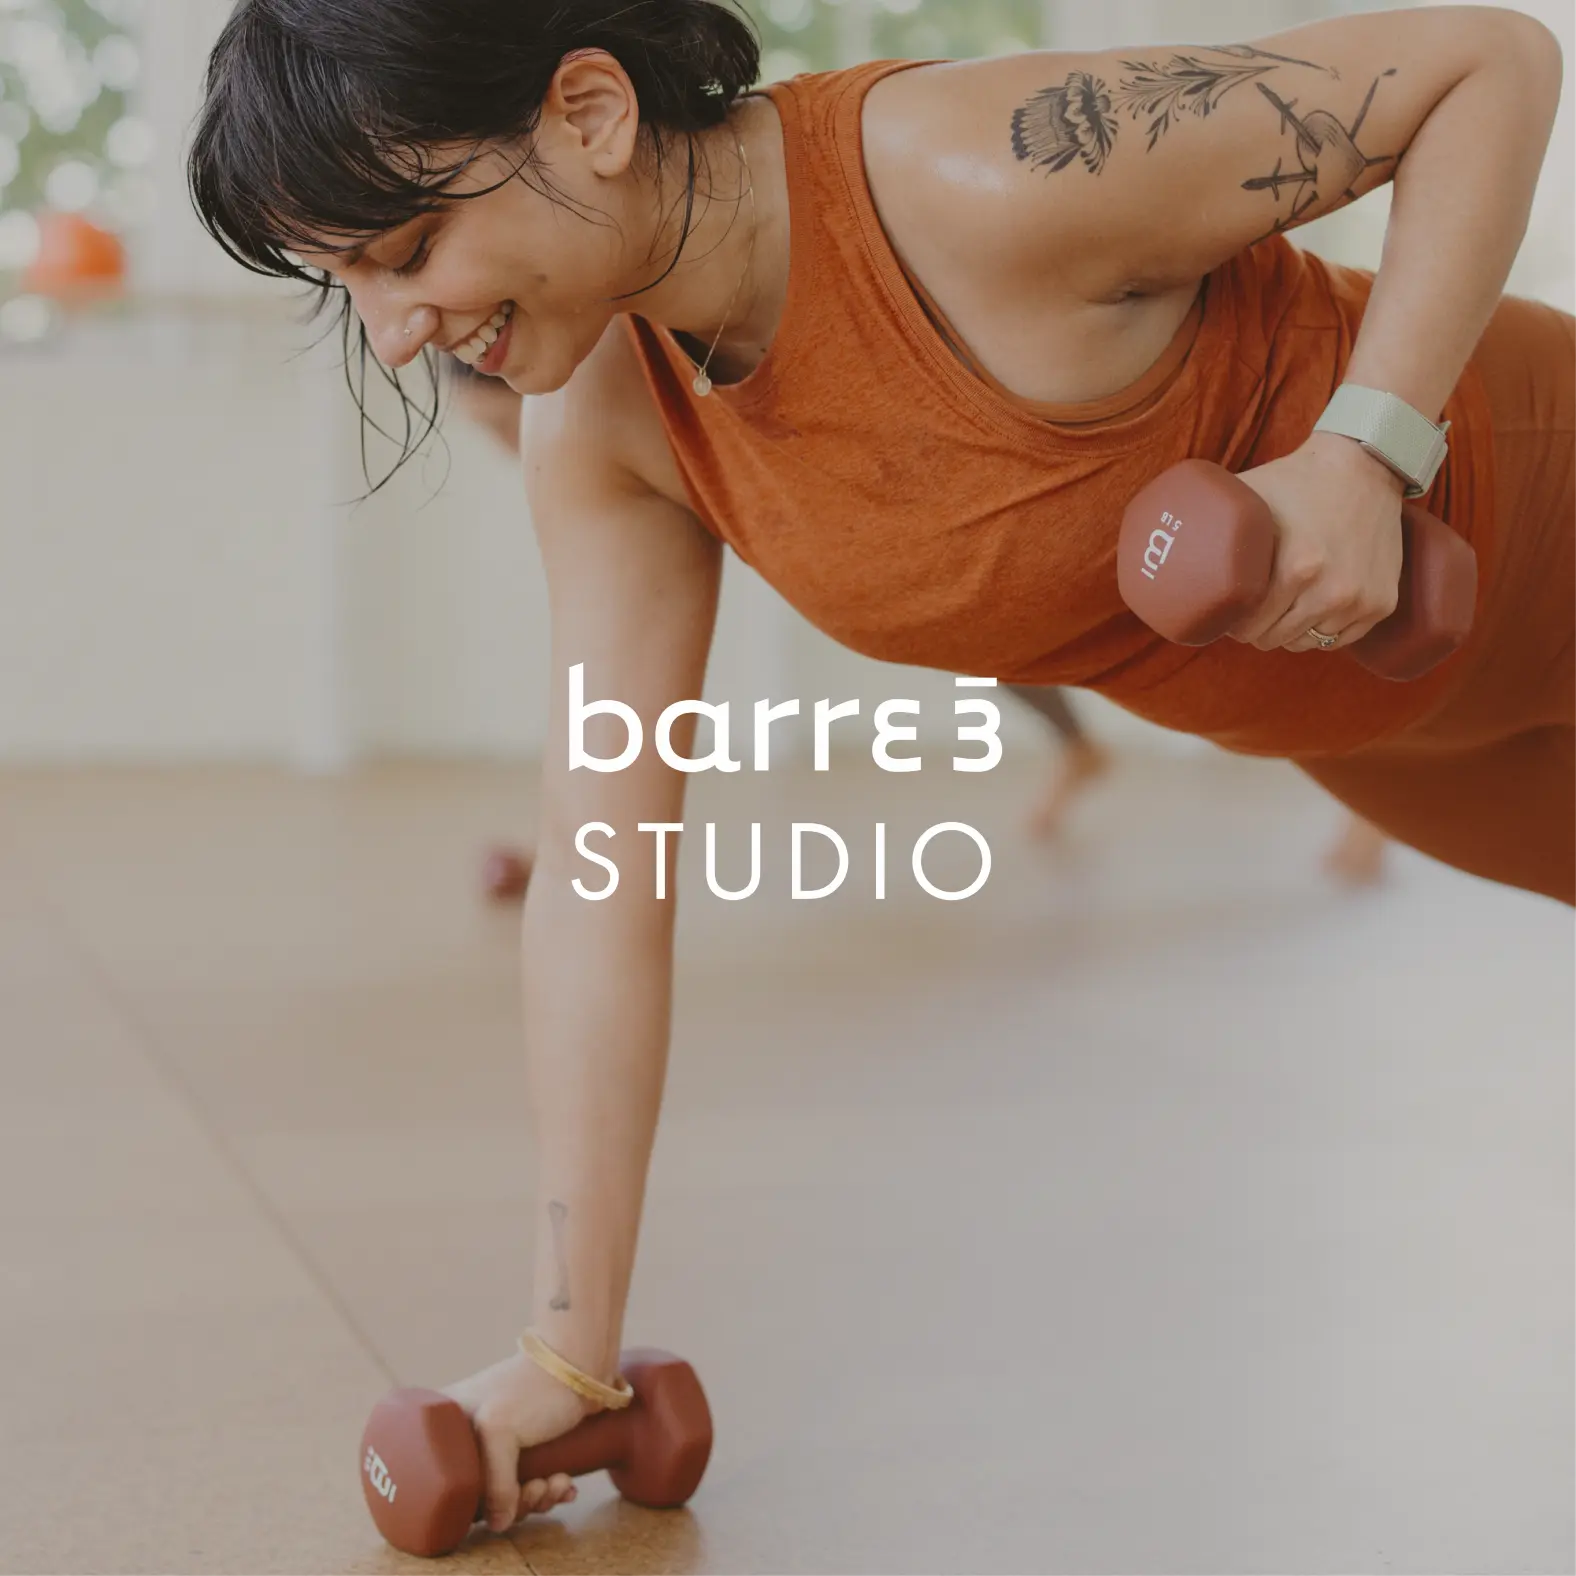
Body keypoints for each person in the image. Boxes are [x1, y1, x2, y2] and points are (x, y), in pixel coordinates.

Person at [188, 0, 1569, 1536]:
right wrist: (567, 1356)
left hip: (1534, 496)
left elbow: (1486, 63)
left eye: (405, 250)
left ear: (587, 110)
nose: (392, 333)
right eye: (345, 289)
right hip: (1384, 732)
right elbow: (600, 880)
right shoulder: (613, 427)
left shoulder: (970, 177)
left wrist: (1364, 450)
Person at [450, 361, 1388, 881]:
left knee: (1145, 625)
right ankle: (1086, 753)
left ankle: (1364, 783)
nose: (516, 461)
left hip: (953, 487)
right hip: (873, 535)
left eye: (508, 434)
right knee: (996, 636)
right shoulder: (610, 471)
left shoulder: (643, 411)